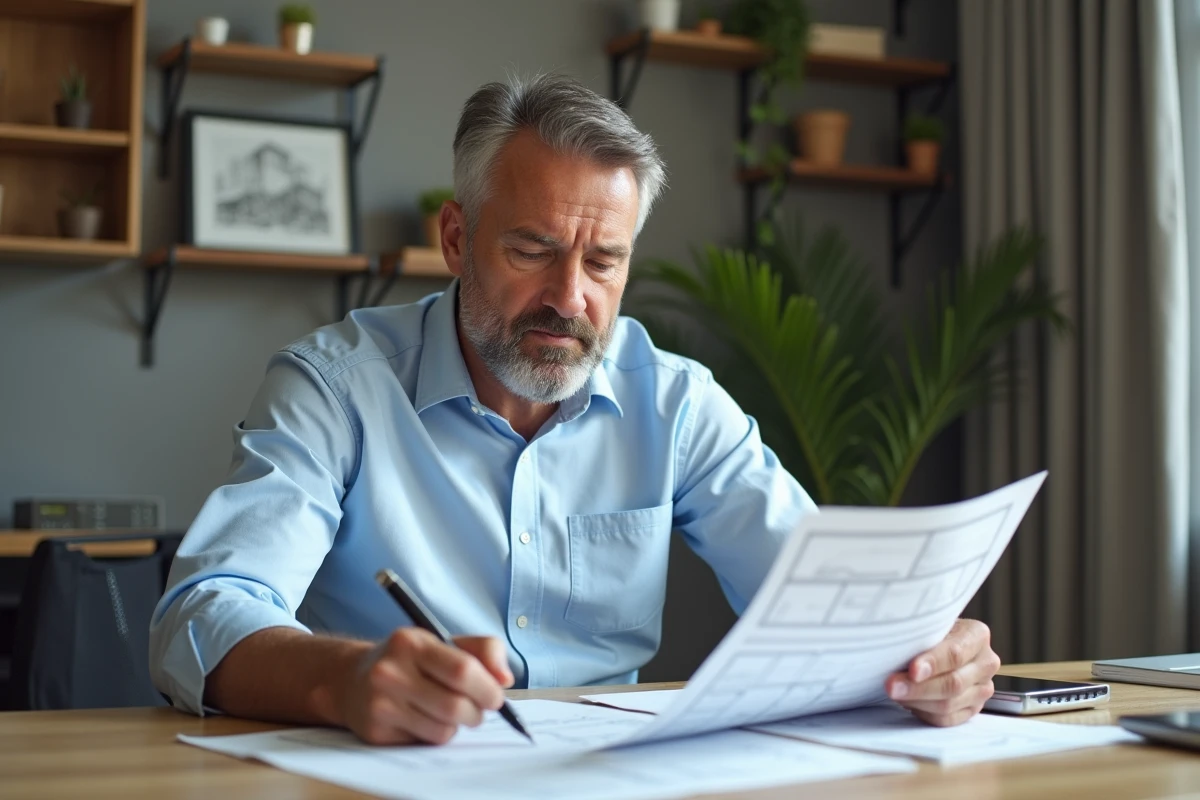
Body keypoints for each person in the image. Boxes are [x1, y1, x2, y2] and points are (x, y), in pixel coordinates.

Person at [149, 74, 1001, 746]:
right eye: (533, 249)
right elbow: (202, 613)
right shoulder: (335, 388)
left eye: (604, 262)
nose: (570, 298)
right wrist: (343, 681)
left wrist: (929, 657)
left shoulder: (675, 401)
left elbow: (828, 603)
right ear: (456, 239)